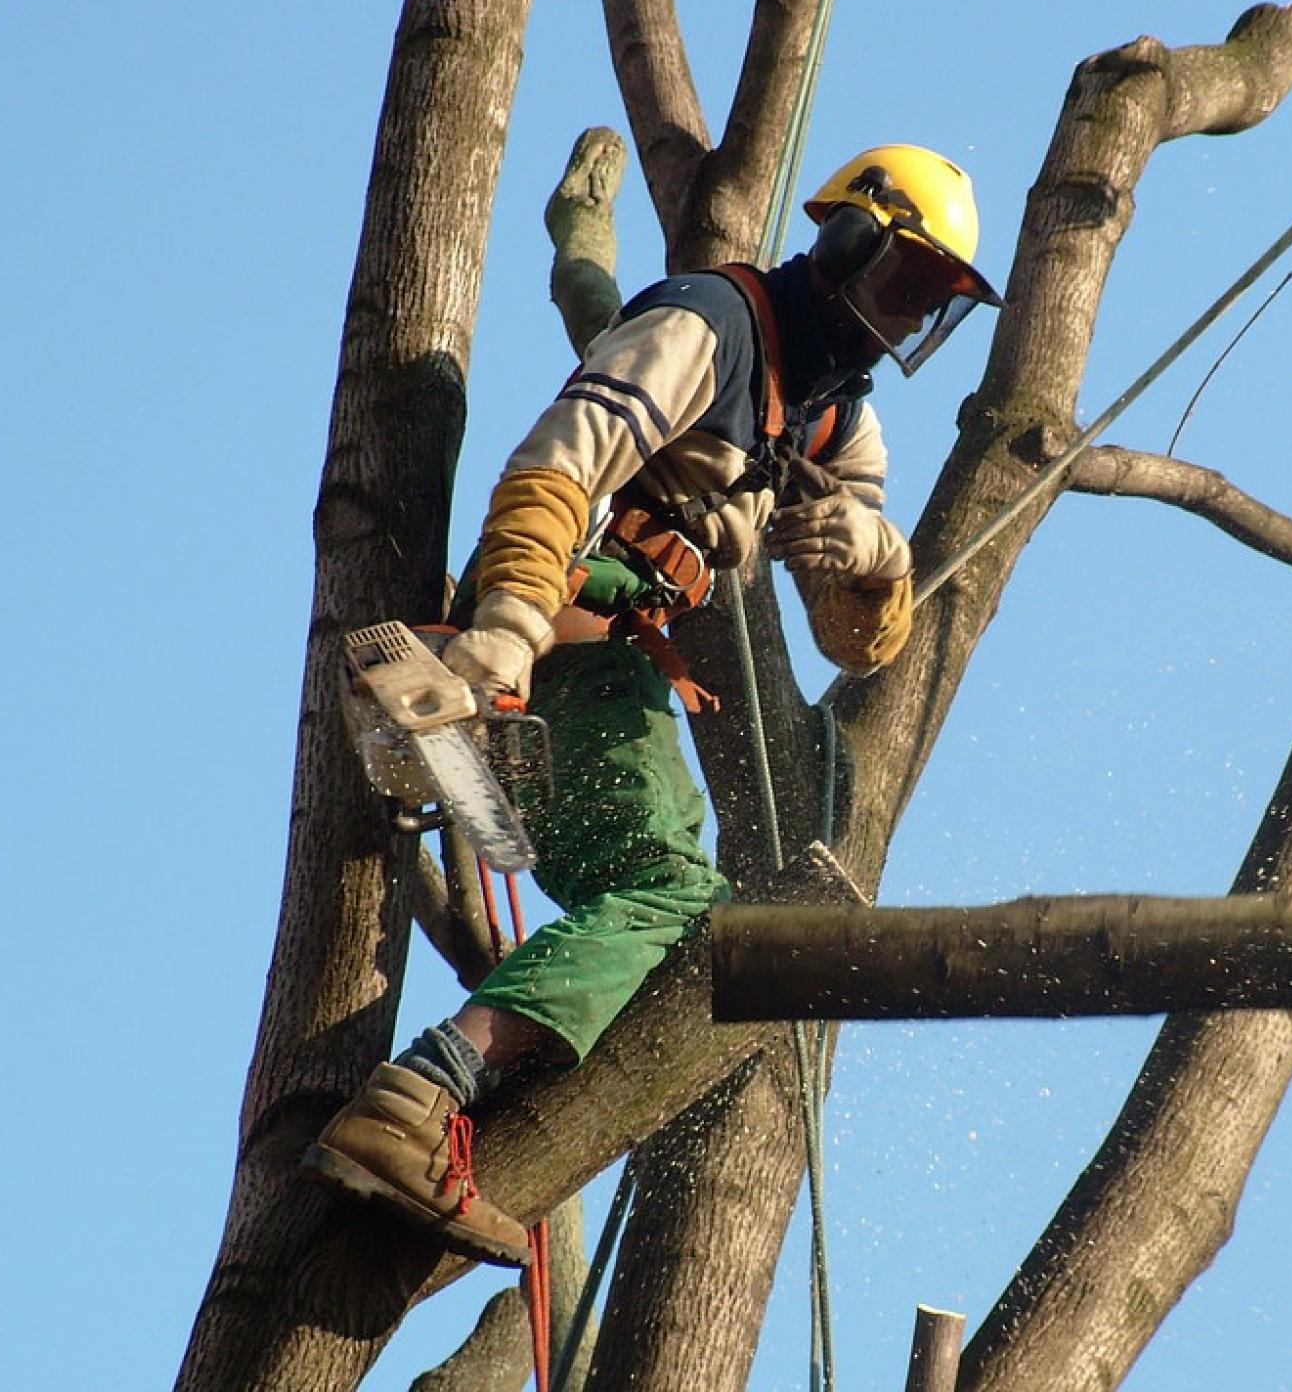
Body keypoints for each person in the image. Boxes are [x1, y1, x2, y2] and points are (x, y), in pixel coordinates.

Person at [301, 144, 1003, 1265]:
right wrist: (501, 637)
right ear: (847, 241)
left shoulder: (830, 419)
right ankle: (417, 1100)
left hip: (618, 664)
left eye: (930, 305)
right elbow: (554, 469)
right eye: (905, 282)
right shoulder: (708, 327)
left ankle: (465, 1110)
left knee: (664, 903)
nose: (905, 317)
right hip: (562, 641)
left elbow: (855, 640)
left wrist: (873, 562)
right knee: (674, 892)